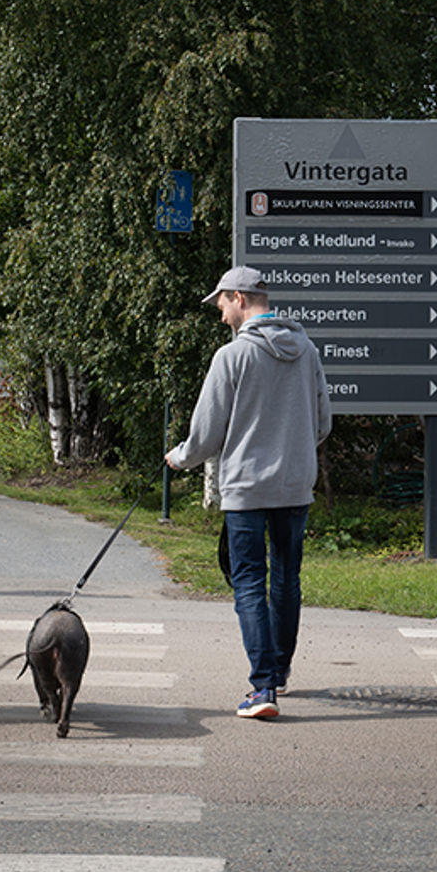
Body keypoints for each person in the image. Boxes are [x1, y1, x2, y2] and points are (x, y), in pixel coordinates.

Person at [165, 264, 332, 719]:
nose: (220, 315)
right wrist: (291, 454)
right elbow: (323, 423)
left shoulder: (231, 358)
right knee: (287, 580)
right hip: (295, 487)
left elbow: (205, 433)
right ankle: (278, 671)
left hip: (246, 490)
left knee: (248, 584)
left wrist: (178, 458)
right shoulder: (307, 351)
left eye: (221, 303)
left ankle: (262, 690)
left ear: (239, 298)